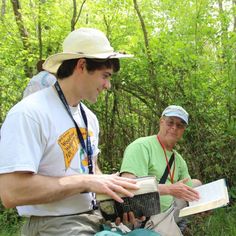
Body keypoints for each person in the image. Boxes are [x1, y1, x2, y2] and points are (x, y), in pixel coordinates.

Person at [0, 28, 140, 236]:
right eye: (105, 76)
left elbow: (91, 169)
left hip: (94, 218)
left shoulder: (89, 118)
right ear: (82, 65)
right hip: (53, 224)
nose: (108, 85)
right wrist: (85, 181)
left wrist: (115, 199)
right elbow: (11, 192)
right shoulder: (29, 113)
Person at [120, 105, 201, 236]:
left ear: (183, 130)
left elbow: (190, 190)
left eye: (180, 125)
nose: (174, 128)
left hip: (168, 210)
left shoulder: (178, 159)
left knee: (196, 185)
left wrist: (203, 206)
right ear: (161, 122)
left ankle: (178, 225)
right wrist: (169, 189)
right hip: (144, 216)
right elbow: (127, 186)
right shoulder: (142, 146)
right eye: (170, 122)